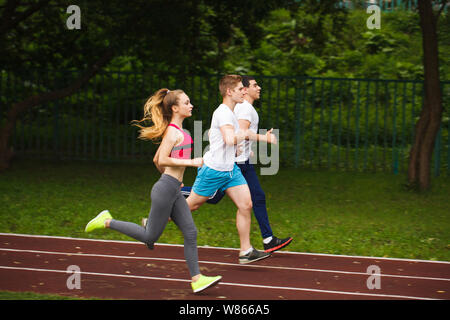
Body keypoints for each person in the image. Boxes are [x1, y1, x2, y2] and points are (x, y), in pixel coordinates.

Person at [84, 88, 221, 293]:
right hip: (165, 190)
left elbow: (157, 159)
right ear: (175, 108)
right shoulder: (173, 131)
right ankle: (106, 220)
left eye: (189, 102)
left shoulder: (182, 132)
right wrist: (188, 165)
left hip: (172, 189)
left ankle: (197, 279)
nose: (190, 105)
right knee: (150, 237)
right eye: (186, 102)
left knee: (191, 232)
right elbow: (163, 158)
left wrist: (176, 179)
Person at [177, 76, 293, 253]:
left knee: (247, 203)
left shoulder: (232, 111)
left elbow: (234, 136)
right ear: (230, 91)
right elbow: (233, 137)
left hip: (231, 167)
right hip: (219, 167)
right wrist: (262, 139)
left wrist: (244, 149)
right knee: (199, 202)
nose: (245, 91)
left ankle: (248, 249)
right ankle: (162, 214)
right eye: (242, 88)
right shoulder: (228, 111)